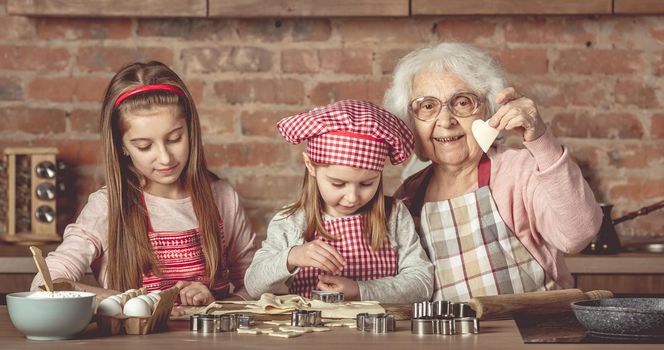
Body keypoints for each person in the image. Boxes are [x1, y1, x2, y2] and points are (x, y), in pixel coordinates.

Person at [385, 43, 603, 302]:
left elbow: (578, 235)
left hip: (533, 337)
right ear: (411, 124)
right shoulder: (408, 197)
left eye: (462, 102)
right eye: (427, 106)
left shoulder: (518, 171)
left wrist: (541, 139)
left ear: (489, 110)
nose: (446, 121)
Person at [31, 61, 256, 305]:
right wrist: (127, 301)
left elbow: (255, 286)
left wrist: (214, 302)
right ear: (123, 147)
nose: (165, 157)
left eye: (174, 138)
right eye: (144, 146)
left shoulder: (222, 198)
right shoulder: (107, 206)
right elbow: (45, 284)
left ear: (190, 129)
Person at [244, 100, 433, 303]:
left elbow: (422, 284)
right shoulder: (292, 221)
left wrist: (360, 290)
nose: (352, 197)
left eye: (367, 183)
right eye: (338, 184)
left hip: (379, 333)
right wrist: (291, 257)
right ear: (311, 165)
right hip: (313, 332)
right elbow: (253, 286)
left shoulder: (394, 215)